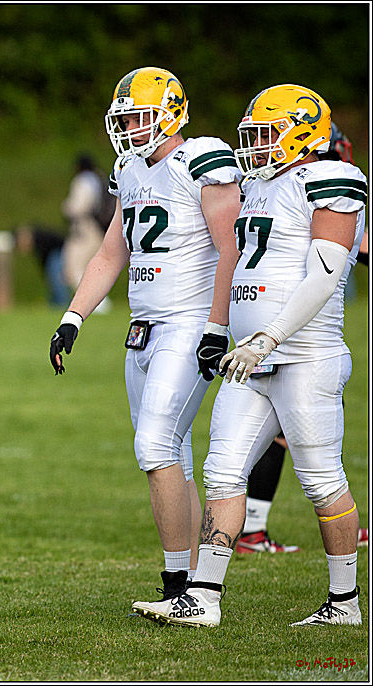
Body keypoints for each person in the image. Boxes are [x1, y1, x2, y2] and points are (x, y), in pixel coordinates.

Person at [132, 84, 366, 627]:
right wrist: (226, 331)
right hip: (249, 357)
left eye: (267, 134)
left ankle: (344, 603)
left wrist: (269, 336)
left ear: (304, 133)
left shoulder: (330, 180)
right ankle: (202, 597)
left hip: (305, 355)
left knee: (321, 480)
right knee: (222, 472)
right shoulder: (257, 184)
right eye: (253, 135)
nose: (257, 145)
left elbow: (324, 276)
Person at [49, 67, 242, 603]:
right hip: (142, 329)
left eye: (140, 117)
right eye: (126, 119)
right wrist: (73, 318)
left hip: (189, 323)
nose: (131, 128)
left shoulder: (200, 160)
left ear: (172, 114)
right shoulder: (129, 170)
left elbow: (231, 249)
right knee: (169, 452)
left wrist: (217, 325)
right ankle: (190, 581)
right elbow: (111, 253)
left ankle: (180, 584)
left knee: (155, 444)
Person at [235, 121, 368, 554]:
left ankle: (254, 528)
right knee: (310, 454)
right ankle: (253, 528)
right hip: (301, 339)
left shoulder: (299, 185)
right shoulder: (313, 185)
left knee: (295, 450)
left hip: (287, 335)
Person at [60, 154, 112, 313]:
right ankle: (98, 301)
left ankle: (97, 303)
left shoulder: (83, 181)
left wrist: (66, 208)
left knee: (73, 268)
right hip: (99, 229)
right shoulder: (99, 178)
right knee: (91, 266)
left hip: (84, 229)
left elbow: (77, 206)